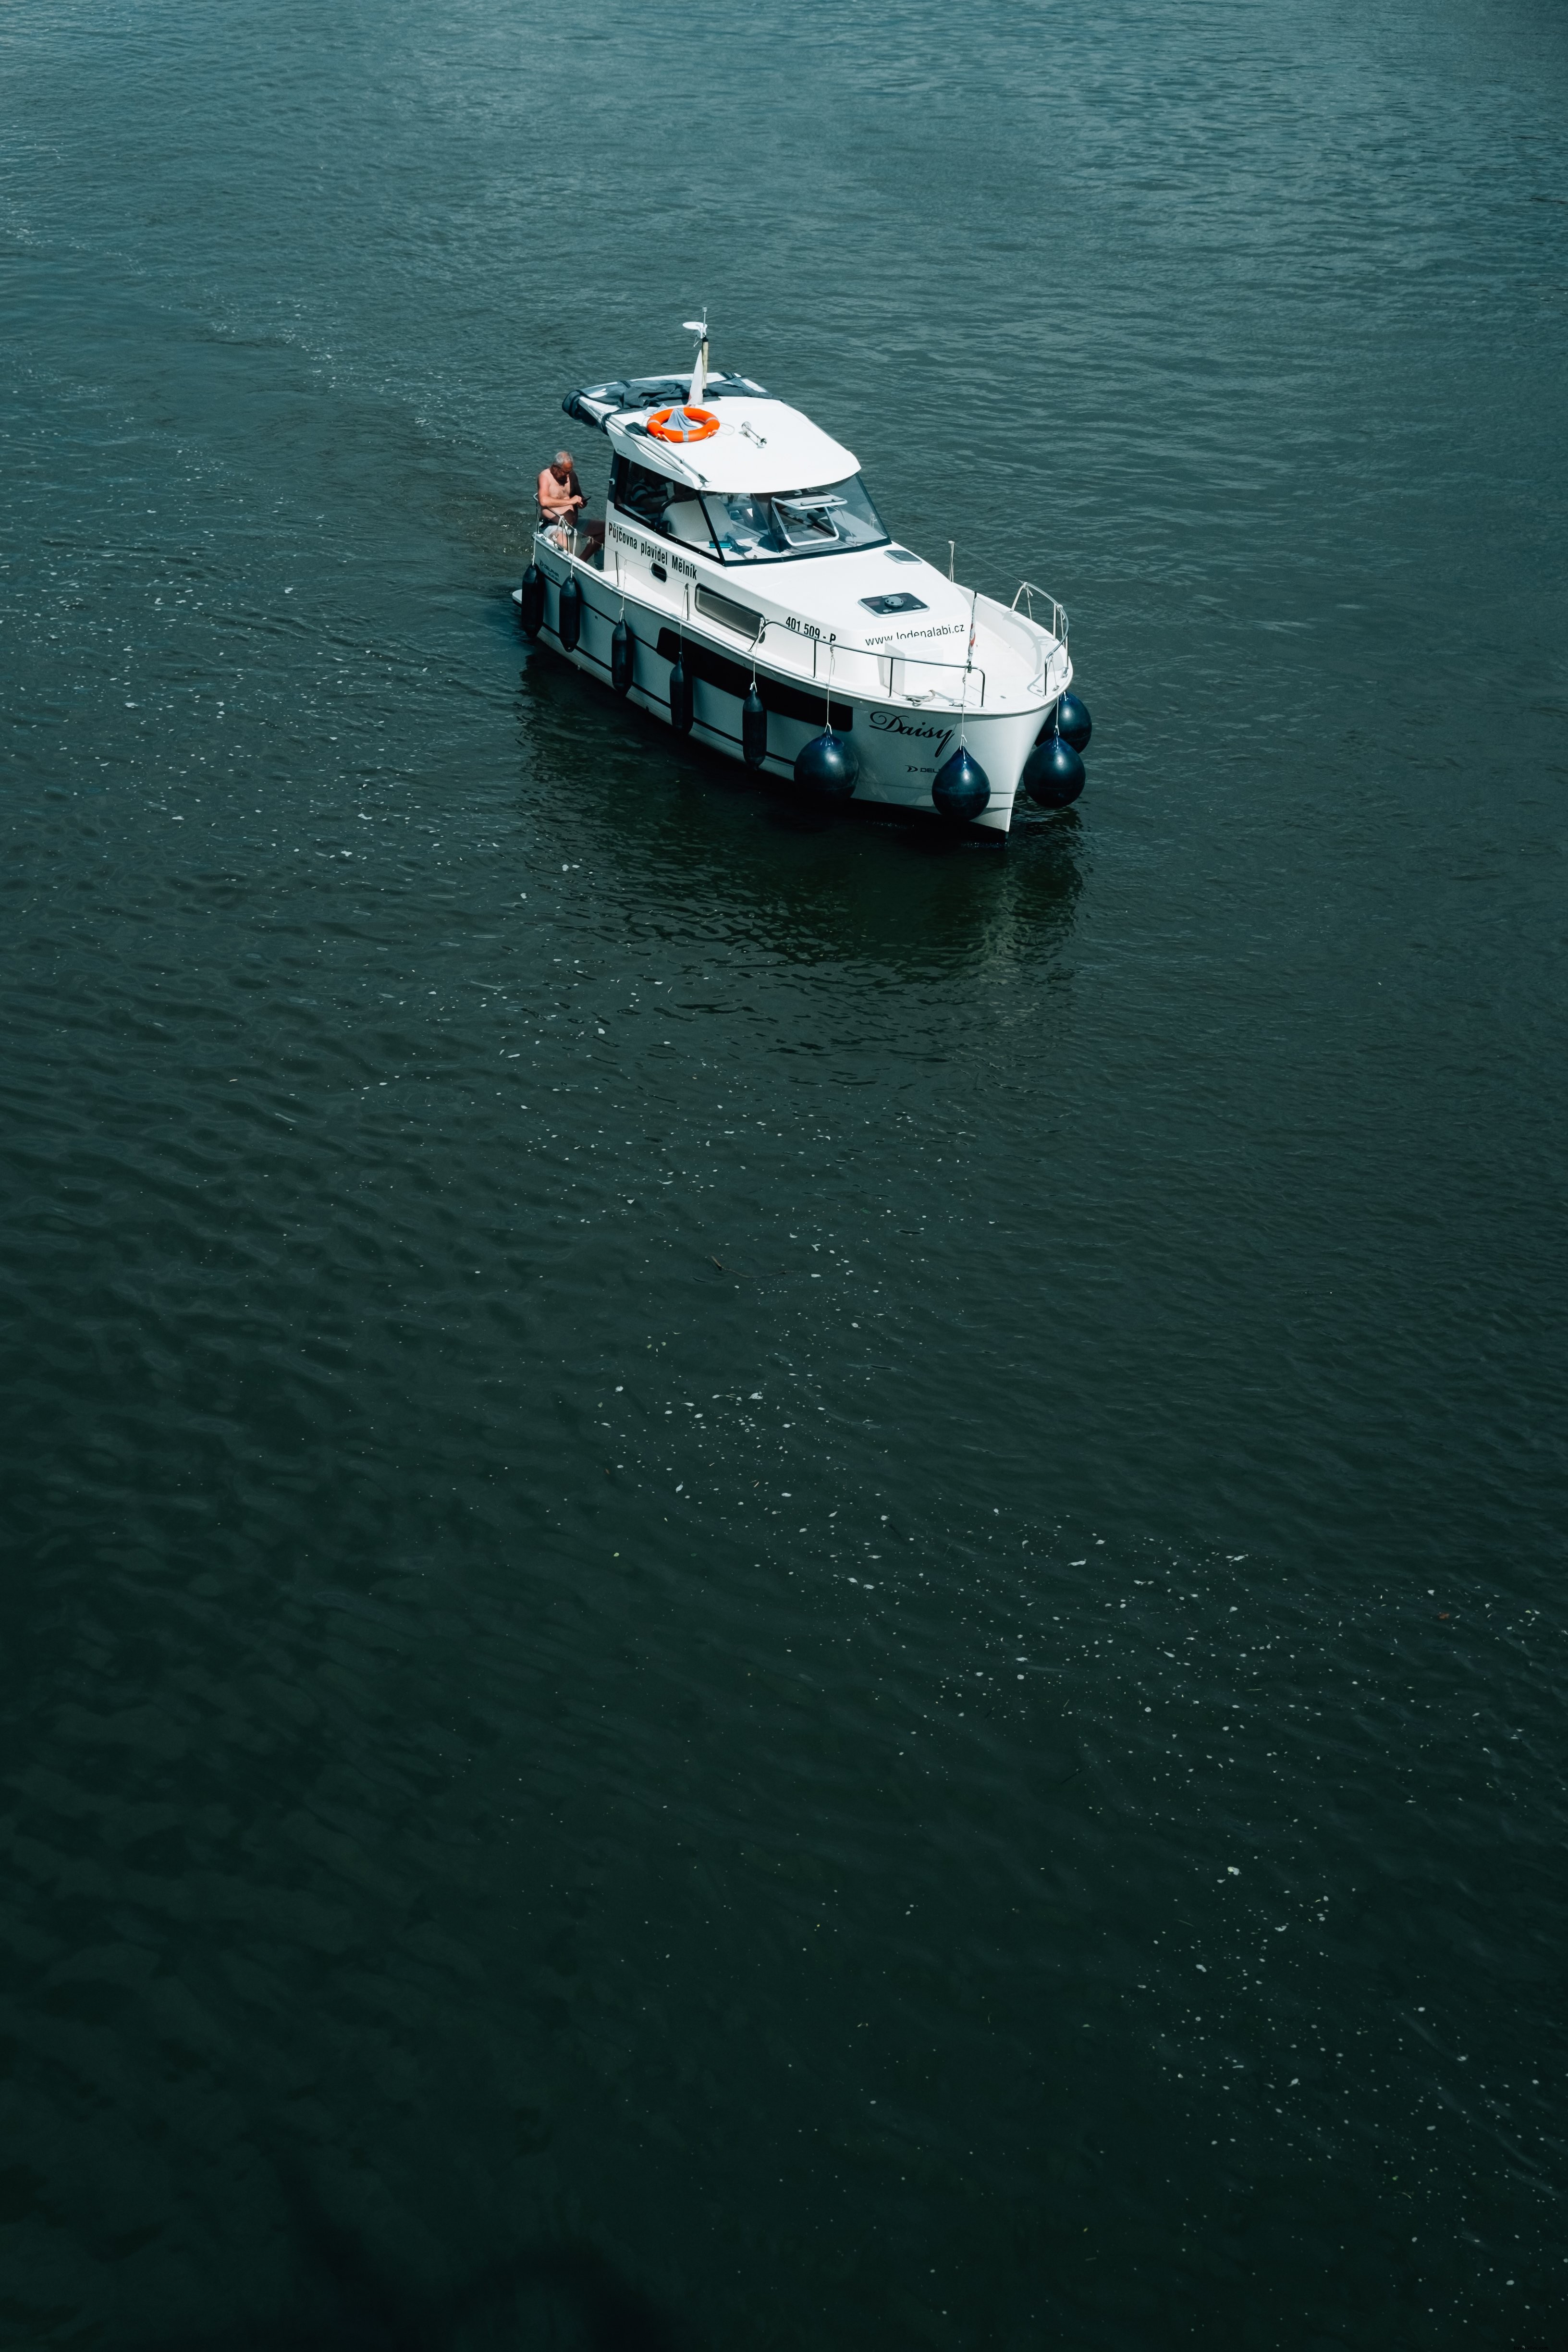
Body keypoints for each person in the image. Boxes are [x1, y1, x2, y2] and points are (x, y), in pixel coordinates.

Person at [537, 450, 604, 557]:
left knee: (605, 529)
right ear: (555, 468)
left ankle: (582, 561)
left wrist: (582, 502)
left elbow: (579, 496)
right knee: (563, 544)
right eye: (566, 472)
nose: (568, 477)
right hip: (553, 525)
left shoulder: (572, 476)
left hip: (574, 524)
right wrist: (571, 501)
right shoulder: (545, 477)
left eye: (570, 472)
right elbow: (543, 501)